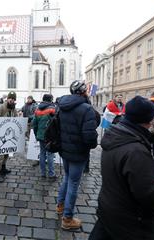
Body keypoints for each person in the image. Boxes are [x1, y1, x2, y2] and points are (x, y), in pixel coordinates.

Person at [89, 96, 154, 240]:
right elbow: (148, 194)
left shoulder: (116, 135)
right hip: (130, 219)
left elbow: (123, 174)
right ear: (148, 120)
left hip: (109, 209)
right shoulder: (136, 149)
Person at [56, 80, 98, 230]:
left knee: (67, 178)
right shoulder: (86, 109)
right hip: (78, 152)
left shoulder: (62, 106)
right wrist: (92, 144)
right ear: (83, 92)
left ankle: (60, 205)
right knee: (73, 182)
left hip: (64, 150)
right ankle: (67, 218)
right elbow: (90, 137)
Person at [0, 91, 18, 182]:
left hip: (8, 135)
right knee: (0, 155)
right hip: (0, 135)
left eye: (13, 99)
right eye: (10, 98)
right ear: (7, 98)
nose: (12, 100)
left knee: (6, 153)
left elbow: (16, 120)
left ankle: (3, 168)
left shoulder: (14, 109)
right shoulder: (0, 107)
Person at [33, 94, 56, 180]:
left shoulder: (37, 109)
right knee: (50, 154)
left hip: (40, 135)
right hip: (50, 136)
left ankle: (43, 173)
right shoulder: (52, 109)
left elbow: (34, 124)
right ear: (50, 100)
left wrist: (36, 134)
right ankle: (51, 174)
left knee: (42, 154)